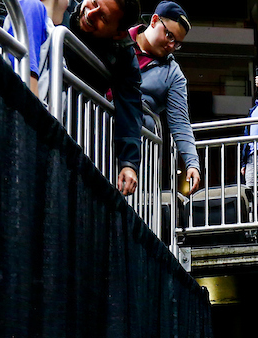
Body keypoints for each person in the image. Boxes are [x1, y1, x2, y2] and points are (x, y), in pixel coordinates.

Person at [57, 0, 144, 196]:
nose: (90, 13)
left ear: (118, 33)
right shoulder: (61, 5)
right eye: (93, 1)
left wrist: (128, 163)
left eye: (103, 17)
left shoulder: (123, 52)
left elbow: (130, 105)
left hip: (74, 135)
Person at [128, 2, 200, 195]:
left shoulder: (173, 74)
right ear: (154, 20)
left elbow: (180, 122)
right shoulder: (119, 37)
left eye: (177, 43)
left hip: (136, 145)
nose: (171, 46)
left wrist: (192, 162)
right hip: (93, 127)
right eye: (169, 35)